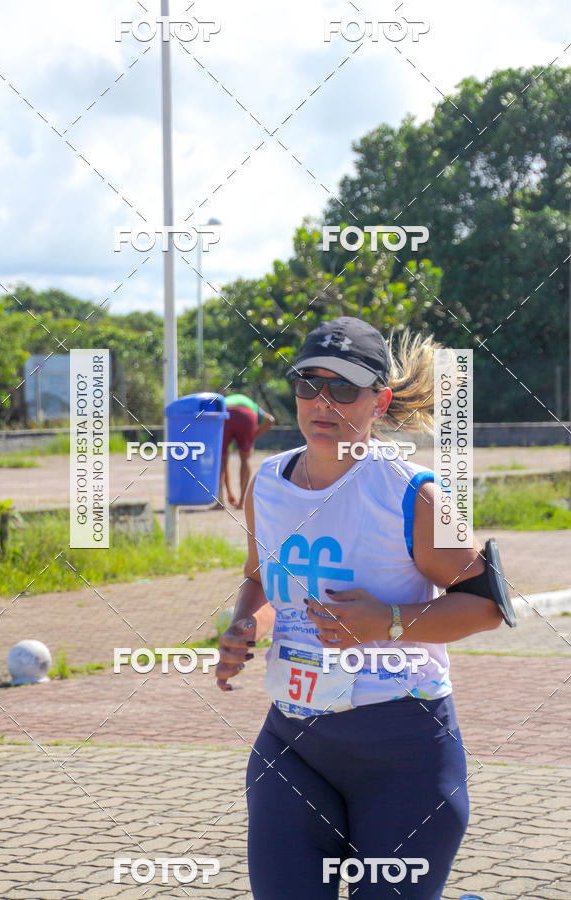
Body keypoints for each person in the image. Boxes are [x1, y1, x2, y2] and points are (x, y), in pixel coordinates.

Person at [214, 317, 505, 900]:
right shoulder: (268, 483)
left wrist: (390, 622)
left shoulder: (412, 493)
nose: (323, 402)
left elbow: (489, 607)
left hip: (403, 751)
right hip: (293, 744)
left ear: (381, 400)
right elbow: (261, 579)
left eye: (344, 387)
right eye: (308, 383)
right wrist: (244, 624)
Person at [215, 393, 275, 510]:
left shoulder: (225, 401)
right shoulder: (251, 404)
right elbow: (270, 420)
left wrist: (230, 492)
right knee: (245, 459)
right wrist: (253, 436)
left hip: (226, 412)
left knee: (221, 460)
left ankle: (221, 501)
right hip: (247, 415)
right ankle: (241, 502)